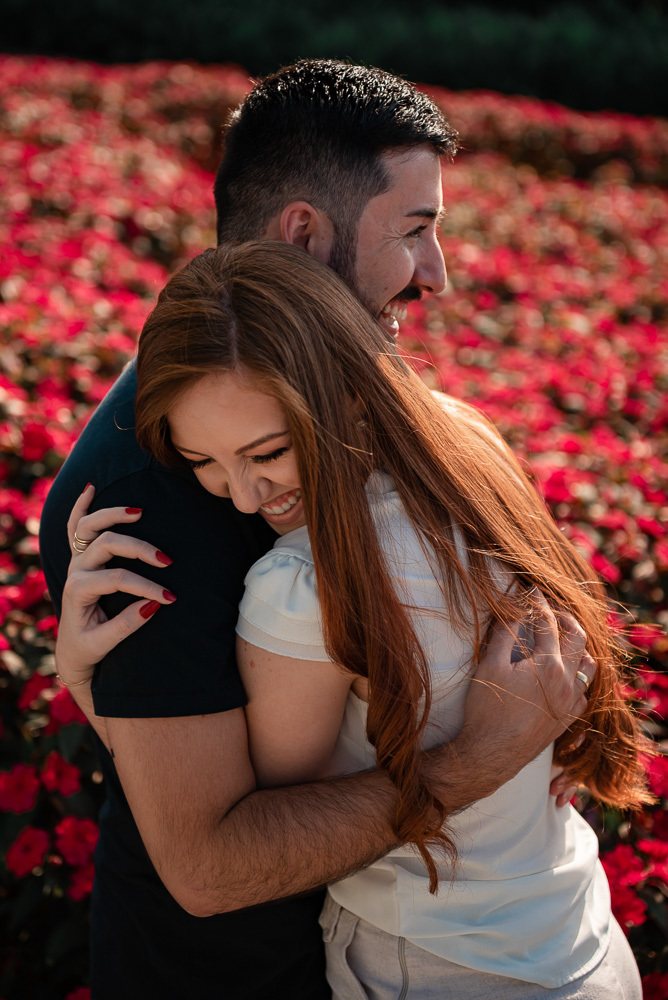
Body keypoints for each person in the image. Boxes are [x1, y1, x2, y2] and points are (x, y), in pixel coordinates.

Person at [41, 60, 593, 998]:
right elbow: (208, 858)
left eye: (265, 454)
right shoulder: (143, 505)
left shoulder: (396, 422)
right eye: (413, 230)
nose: (437, 273)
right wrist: (476, 765)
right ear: (303, 234)